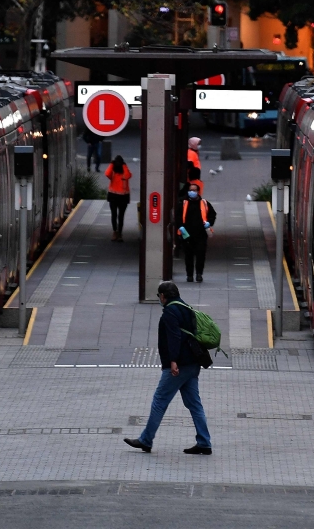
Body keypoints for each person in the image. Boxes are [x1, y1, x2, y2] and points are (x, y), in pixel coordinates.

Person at [124, 281, 212, 455]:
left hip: (179, 365)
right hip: (193, 363)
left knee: (159, 400)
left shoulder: (170, 312)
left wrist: (173, 361)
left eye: (159, 296)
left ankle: (146, 440)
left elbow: (174, 337)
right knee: (194, 404)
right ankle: (204, 442)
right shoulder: (186, 307)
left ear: (163, 296)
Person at [176, 183, 216, 283]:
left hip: (201, 234)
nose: (192, 192)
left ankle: (199, 274)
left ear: (198, 192)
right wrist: (180, 226)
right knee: (188, 256)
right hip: (186, 234)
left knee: (200, 255)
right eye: (190, 190)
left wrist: (209, 223)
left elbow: (212, 214)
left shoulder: (204, 203)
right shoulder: (183, 203)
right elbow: (177, 217)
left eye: (194, 190)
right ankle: (189, 275)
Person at [105, 155, 132, 241]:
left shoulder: (122, 172)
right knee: (118, 215)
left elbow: (127, 175)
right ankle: (117, 232)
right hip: (119, 196)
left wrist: (113, 164)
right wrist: (121, 165)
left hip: (117, 195)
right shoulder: (115, 171)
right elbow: (107, 174)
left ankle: (117, 232)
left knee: (117, 215)